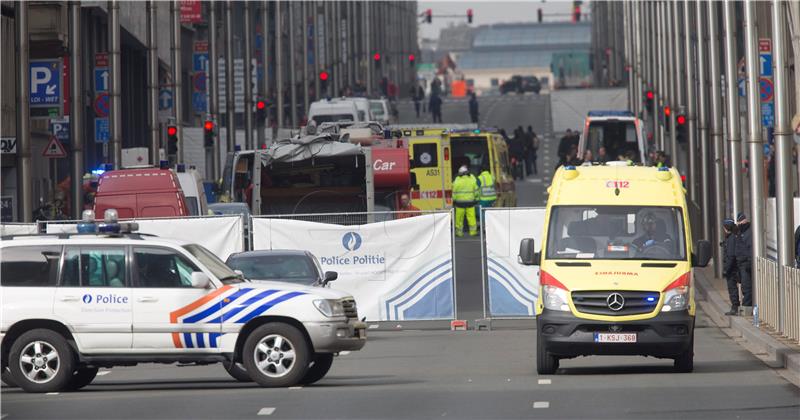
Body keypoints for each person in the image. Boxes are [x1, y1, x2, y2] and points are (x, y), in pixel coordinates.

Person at [452, 165, 479, 237]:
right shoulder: (472, 179)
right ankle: (473, 232)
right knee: (471, 218)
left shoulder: (457, 180)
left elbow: (454, 192)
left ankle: (459, 233)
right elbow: (476, 190)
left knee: (459, 219)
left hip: (459, 203)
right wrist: (476, 198)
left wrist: (454, 200)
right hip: (470, 202)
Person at [733, 212, 753, 307]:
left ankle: (746, 306)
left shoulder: (747, 233)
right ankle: (746, 306)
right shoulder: (741, 232)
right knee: (745, 286)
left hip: (745, 263)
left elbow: (747, 249)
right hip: (742, 264)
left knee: (746, 287)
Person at [722, 219, 740, 315]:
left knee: (732, 288)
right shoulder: (733, 237)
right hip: (734, 267)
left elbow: (730, 255)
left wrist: (726, 269)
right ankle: (735, 306)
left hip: (732, 268)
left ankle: (735, 307)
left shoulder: (731, 238)